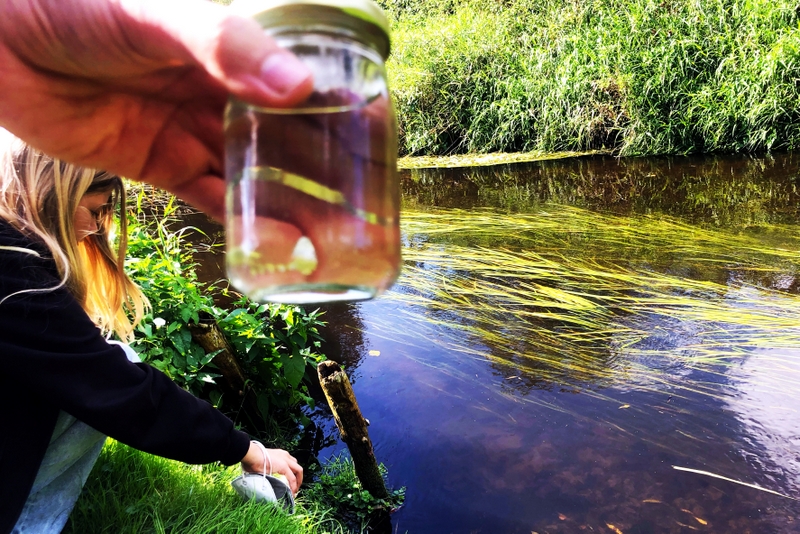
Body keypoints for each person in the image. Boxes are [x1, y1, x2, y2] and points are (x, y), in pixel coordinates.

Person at [0, 136, 303, 533]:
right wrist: (244, 447)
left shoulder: (15, 258)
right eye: (93, 211)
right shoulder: (18, 279)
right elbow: (124, 393)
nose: (94, 228)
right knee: (116, 366)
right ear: (52, 194)